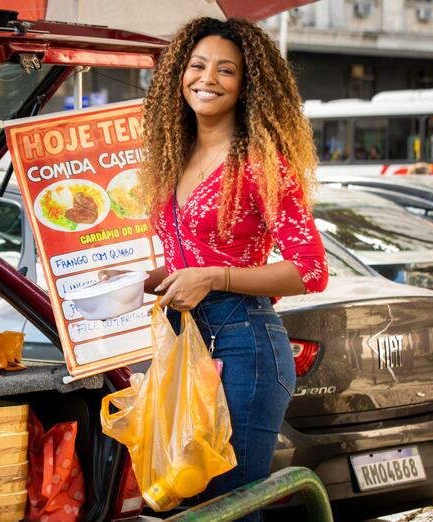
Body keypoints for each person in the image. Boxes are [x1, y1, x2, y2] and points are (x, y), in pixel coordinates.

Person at [100, 17, 328, 520]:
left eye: (227, 70)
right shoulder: (174, 156)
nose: (207, 78)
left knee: (230, 509)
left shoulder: (262, 163)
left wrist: (214, 277)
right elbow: (197, 256)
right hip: (188, 345)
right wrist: (150, 279)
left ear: (248, 86)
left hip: (246, 346)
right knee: (186, 504)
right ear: (178, 73)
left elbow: (310, 270)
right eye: (197, 65)